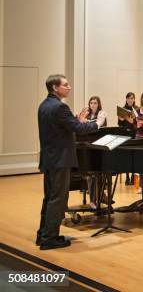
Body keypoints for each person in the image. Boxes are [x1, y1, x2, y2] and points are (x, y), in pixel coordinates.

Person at [36, 74, 99, 250]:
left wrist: (76, 120)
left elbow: (63, 128)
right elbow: (78, 128)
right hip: (60, 160)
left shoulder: (44, 105)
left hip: (49, 158)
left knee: (49, 197)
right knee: (58, 199)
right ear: (55, 88)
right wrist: (96, 124)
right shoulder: (60, 107)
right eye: (65, 85)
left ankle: (43, 234)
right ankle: (50, 238)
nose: (69, 87)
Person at [84, 96, 107, 208]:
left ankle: (102, 195)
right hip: (88, 147)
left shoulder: (101, 113)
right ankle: (93, 200)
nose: (93, 105)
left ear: (98, 104)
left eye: (95, 103)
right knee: (90, 174)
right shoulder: (87, 114)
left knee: (101, 172)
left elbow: (98, 125)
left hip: (100, 147)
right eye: (91, 103)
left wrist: (85, 123)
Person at [118, 92, 138, 185]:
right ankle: (127, 178)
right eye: (129, 98)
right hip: (125, 134)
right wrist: (121, 120)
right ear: (126, 99)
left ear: (134, 99)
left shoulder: (137, 109)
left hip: (134, 134)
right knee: (126, 156)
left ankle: (133, 176)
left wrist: (134, 121)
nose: (130, 100)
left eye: (132, 98)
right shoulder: (122, 109)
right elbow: (120, 124)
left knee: (134, 155)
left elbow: (139, 123)